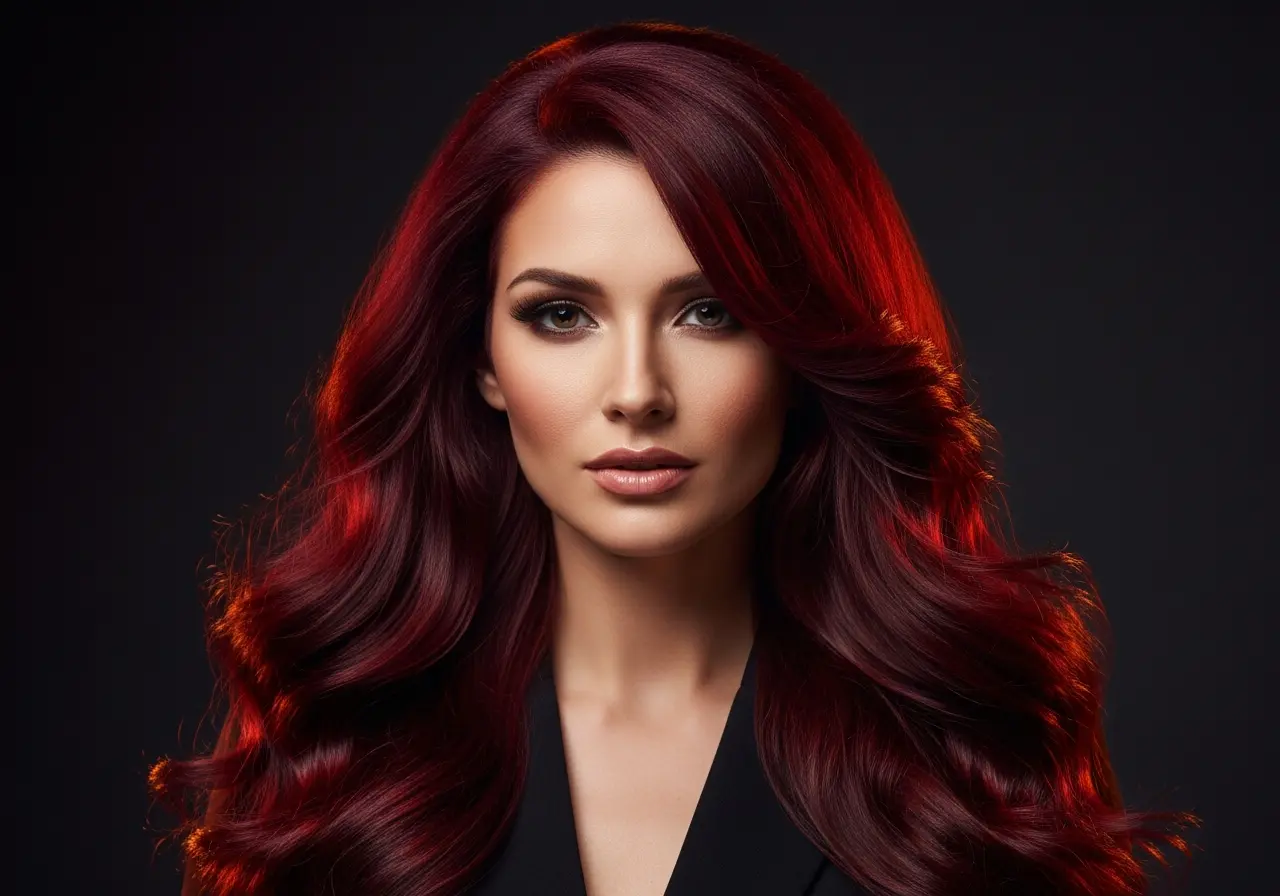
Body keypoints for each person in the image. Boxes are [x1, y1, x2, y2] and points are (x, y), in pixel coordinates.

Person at [148, 21, 1197, 896]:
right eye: (561, 315)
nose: (637, 389)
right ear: (481, 358)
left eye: (709, 311)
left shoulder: (957, 770)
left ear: (799, 344)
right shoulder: (351, 765)